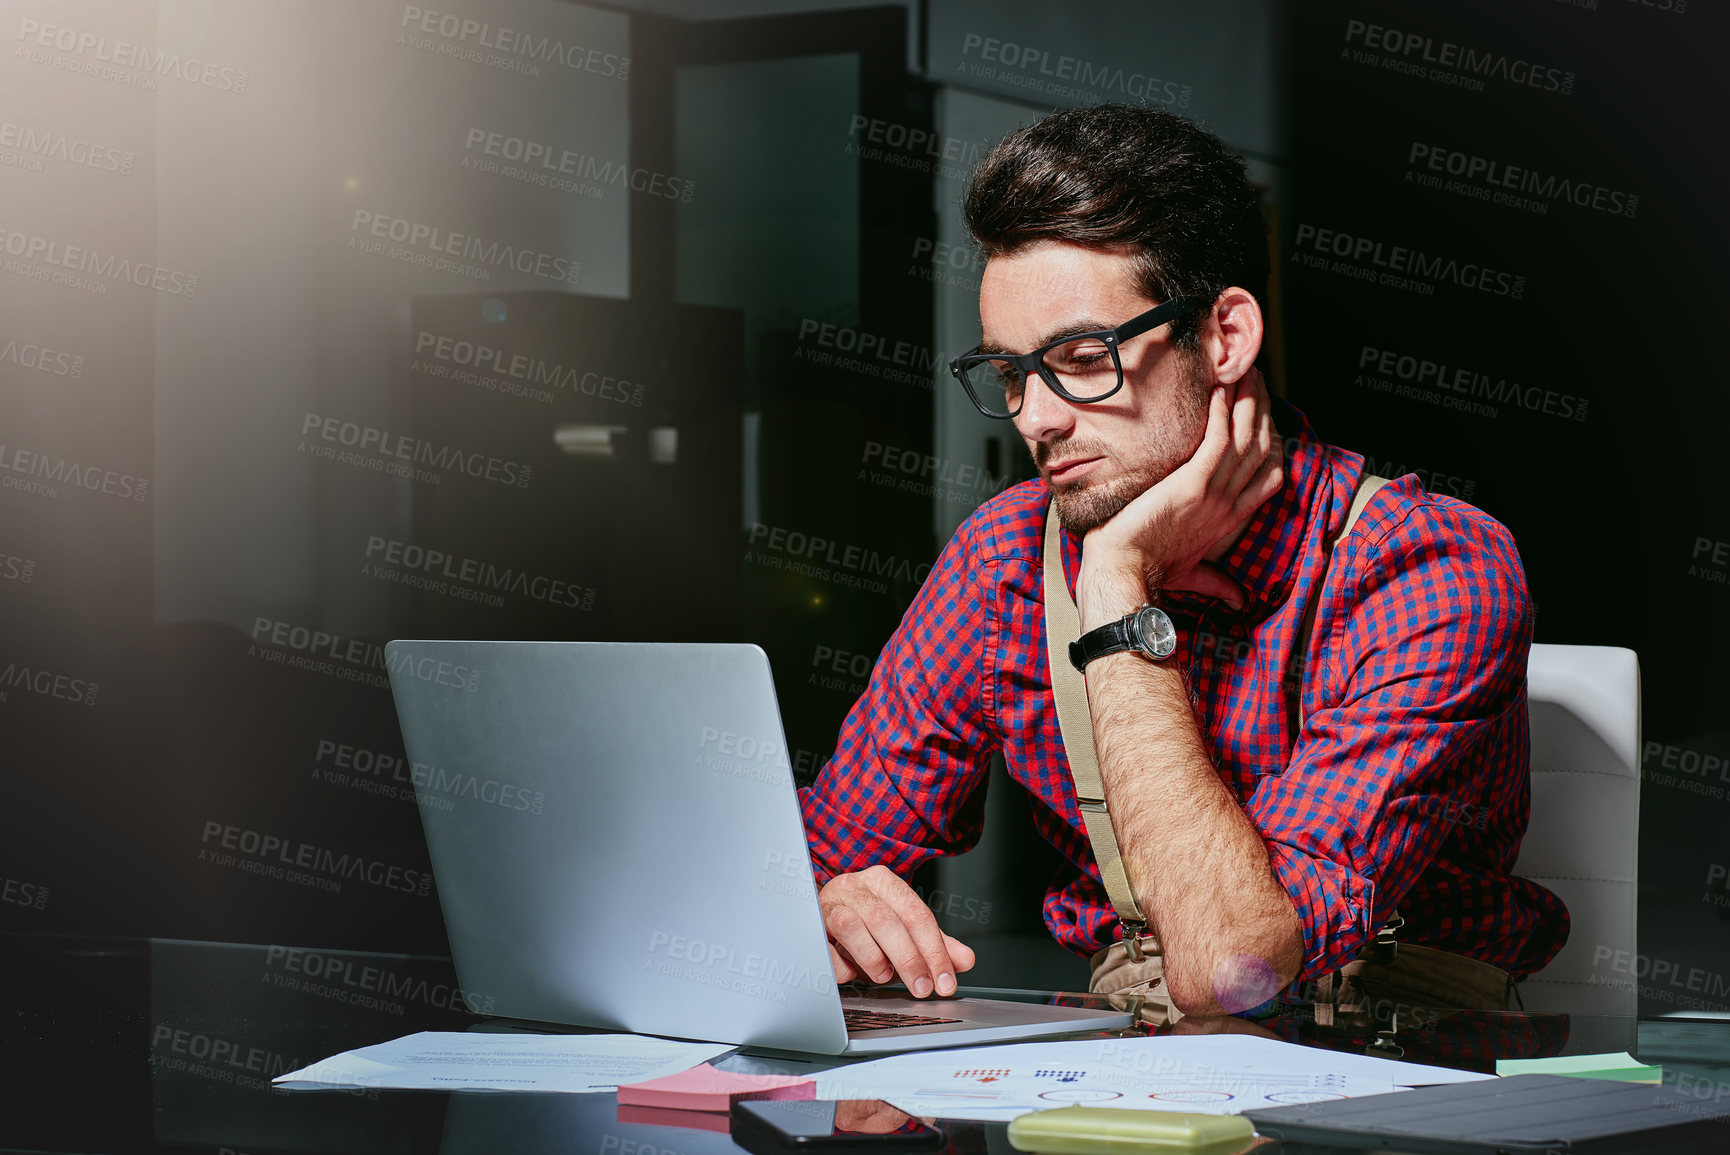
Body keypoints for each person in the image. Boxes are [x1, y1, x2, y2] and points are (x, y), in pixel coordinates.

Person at [796, 104, 1566, 1021]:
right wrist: (823, 903)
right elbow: (819, 855)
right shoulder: (1003, 560)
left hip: (1405, 1067)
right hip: (1125, 1064)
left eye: (1081, 358)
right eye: (1011, 373)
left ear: (1225, 338)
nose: (1036, 418)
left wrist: (1118, 584)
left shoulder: (1431, 565)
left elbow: (1234, 963)